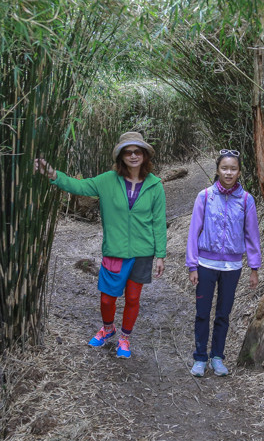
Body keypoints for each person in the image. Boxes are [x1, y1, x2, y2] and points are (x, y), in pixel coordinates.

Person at [34, 131, 167, 359]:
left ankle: (124, 338)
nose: (133, 156)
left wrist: (161, 254)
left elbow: (158, 221)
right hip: (115, 250)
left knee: (133, 298)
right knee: (107, 297)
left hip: (143, 252)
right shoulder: (107, 180)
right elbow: (79, 186)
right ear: (121, 156)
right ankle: (108, 328)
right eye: (128, 152)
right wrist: (53, 174)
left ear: (144, 155)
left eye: (137, 151)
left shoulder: (154, 185)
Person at [185, 149, 261, 377]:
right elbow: (194, 231)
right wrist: (192, 265)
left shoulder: (246, 200)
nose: (229, 172)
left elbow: (252, 235)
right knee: (202, 312)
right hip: (206, 264)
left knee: (223, 314)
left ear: (239, 172)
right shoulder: (205, 196)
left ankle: (217, 357)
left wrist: (254, 268)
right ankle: (200, 358)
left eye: (233, 168)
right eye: (224, 168)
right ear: (217, 170)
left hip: (232, 267)